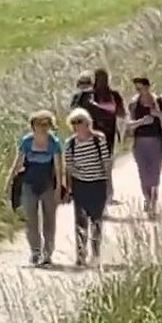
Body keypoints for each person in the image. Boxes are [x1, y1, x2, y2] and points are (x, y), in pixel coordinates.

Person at [6, 110, 65, 266]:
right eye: (40, 124)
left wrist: (59, 188)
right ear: (33, 126)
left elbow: (59, 168)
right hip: (29, 184)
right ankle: (35, 251)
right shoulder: (26, 141)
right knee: (31, 220)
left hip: (48, 185)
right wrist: (9, 181)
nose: (43, 127)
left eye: (46, 124)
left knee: (49, 220)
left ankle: (48, 253)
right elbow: (18, 163)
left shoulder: (54, 142)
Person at [64, 108, 112, 267]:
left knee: (96, 220)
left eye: (80, 121)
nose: (77, 125)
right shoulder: (70, 144)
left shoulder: (99, 139)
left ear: (87, 122)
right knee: (80, 221)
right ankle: (81, 254)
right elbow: (69, 168)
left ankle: (96, 253)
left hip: (98, 184)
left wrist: (109, 185)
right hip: (80, 185)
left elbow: (106, 162)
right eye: (74, 122)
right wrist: (69, 190)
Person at [126, 77, 162, 216]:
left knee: (155, 173)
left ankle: (153, 202)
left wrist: (157, 114)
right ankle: (147, 199)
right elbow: (129, 125)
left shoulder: (158, 101)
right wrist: (141, 122)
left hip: (156, 141)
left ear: (148, 87)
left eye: (140, 88)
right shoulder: (134, 103)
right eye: (136, 89)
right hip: (139, 142)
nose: (139, 91)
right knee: (143, 173)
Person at [87, 68, 125, 203]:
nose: (101, 81)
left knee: (106, 163)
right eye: (99, 78)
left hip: (108, 134)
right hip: (92, 135)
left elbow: (121, 113)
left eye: (103, 78)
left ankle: (108, 192)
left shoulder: (113, 95)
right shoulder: (89, 96)